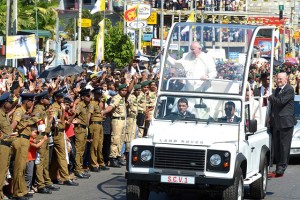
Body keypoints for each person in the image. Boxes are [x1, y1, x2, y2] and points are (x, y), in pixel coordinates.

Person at [268, 72, 296, 177]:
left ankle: (282, 167)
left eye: (280, 79)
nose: (278, 80)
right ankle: (278, 167)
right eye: (277, 79)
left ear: (286, 79)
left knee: (284, 146)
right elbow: (274, 106)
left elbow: (280, 102)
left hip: (286, 123)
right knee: (277, 146)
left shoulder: (289, 89)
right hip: (276, 123)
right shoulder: (277, 90)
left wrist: (270, 97)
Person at [32, 90, 60, 193]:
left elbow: (49, 122)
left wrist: (51, 117)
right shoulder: (38, 109)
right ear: (42, 100)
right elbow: (36, 119)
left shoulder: (46, 108)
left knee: (46, 161)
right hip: (41, 136)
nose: (49, 100)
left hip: (46, 136)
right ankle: (40, 185)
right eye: (47, 98)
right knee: (40, 161)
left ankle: (47, 181)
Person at [50, 89, 79, 186]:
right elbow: (58, 122)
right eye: (60, 97)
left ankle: (53, 176)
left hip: (61, 132)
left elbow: (64, 120)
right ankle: (65, 177)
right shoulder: (54, 107)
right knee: (62, 155)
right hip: (57, 133)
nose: (62, 99)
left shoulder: (59, 106)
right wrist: (63, 111)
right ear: (55, 98)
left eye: (62, 97)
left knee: (56, 157)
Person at [11, 93, 37, 200]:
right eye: (31, 101)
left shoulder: (25, 112)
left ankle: (23, 190)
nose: (32, 103)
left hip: (25, 140)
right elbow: (14, 125)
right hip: (20, 139)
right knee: (19, 167)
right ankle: (17, 193)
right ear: (26, 101)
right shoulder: (19, 111)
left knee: (23, 167)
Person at [102, 84, 127, 168]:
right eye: (123, 90)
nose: (124, 91)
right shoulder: (116, 98)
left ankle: (118, 155)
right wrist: (102, 113)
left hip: (123, 120)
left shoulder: (122, 98)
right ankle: (113, 158)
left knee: (121, 139)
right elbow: (110, 107)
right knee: (115, 139)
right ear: (119, 91)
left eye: (125, 90)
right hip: (117, 120)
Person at [70, 88, 91, 179]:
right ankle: (78, 170)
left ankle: (80, 168)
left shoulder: (87, 105)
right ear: (82, 97)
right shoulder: (80, 105)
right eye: (87, 96)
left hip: (84, 129)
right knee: (78, 150)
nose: (89, 97)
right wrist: (70, 121)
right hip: (79, 129)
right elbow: (75, 114)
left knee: (82, 150)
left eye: (89, 96)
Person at [88, 87, 109, 172]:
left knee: (100, 145)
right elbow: (89, 115)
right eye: (98, 94)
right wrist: (87, 127)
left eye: (101, 94)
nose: (100, 96)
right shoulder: (92, 103)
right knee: (94, 145)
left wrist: (103, 100)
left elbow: (102, 110)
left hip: (100, 124)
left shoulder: (99, 103)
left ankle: (101, 162)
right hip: (94, 125)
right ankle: (93, 164)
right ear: (95, 94)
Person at [25, 125, 49, 194]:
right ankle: (27, 188)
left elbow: (37, 144)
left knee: (31, 174)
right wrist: (43, 140)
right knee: (28, 174)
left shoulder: (33, 139)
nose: (36, 134)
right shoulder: (29, 139)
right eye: (35, 132)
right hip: (29, 159)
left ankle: (29, 187)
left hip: (33, 158)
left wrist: (38, 140)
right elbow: (36, 146)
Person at [0, 92, 15, 200]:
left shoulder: (5, 114)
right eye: (9, 102)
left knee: (4, 171)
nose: (11, 104)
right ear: (5, 103)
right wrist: (6, 137)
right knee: (1, 172)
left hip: (7, 146)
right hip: (2, 146)